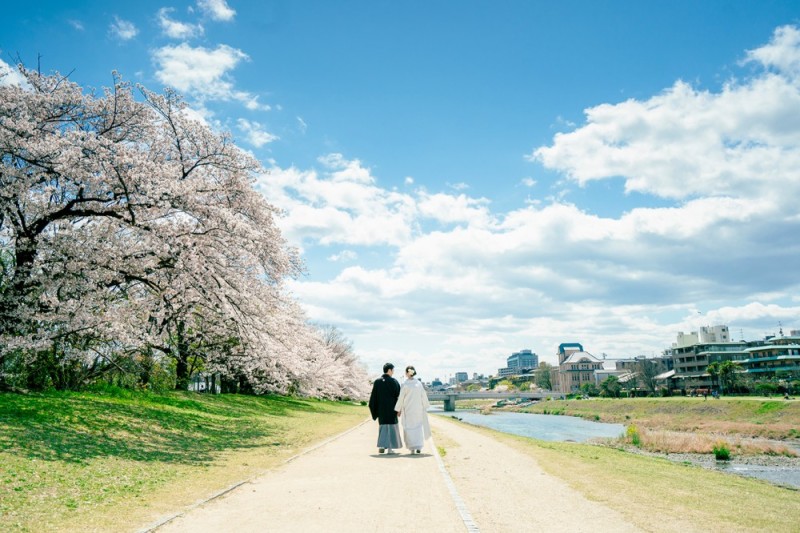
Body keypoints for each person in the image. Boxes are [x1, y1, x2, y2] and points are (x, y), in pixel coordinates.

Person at [394, 365, 431, 454]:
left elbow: (401, 398)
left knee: (409, 428)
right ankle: (419, 446)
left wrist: (398, 409)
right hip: (418, 409)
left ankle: (412, 448)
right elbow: (423, 396)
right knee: (418, 427)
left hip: (408, 409)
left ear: (407, 373)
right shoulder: (419, 384)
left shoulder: (405, 384)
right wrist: (425, 406)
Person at [369, 363, 402, 454]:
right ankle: (390, 449)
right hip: (392, 409)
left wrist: (375, 411)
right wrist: (399, 409)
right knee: (392, 427)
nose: (393, 372)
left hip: (381, 410)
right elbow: (399, 397)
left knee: (383, 427)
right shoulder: (394, 382)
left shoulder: (377, 382)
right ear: (390, 370)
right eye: (393, 370)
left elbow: (373, 398)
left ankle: (382, 445)